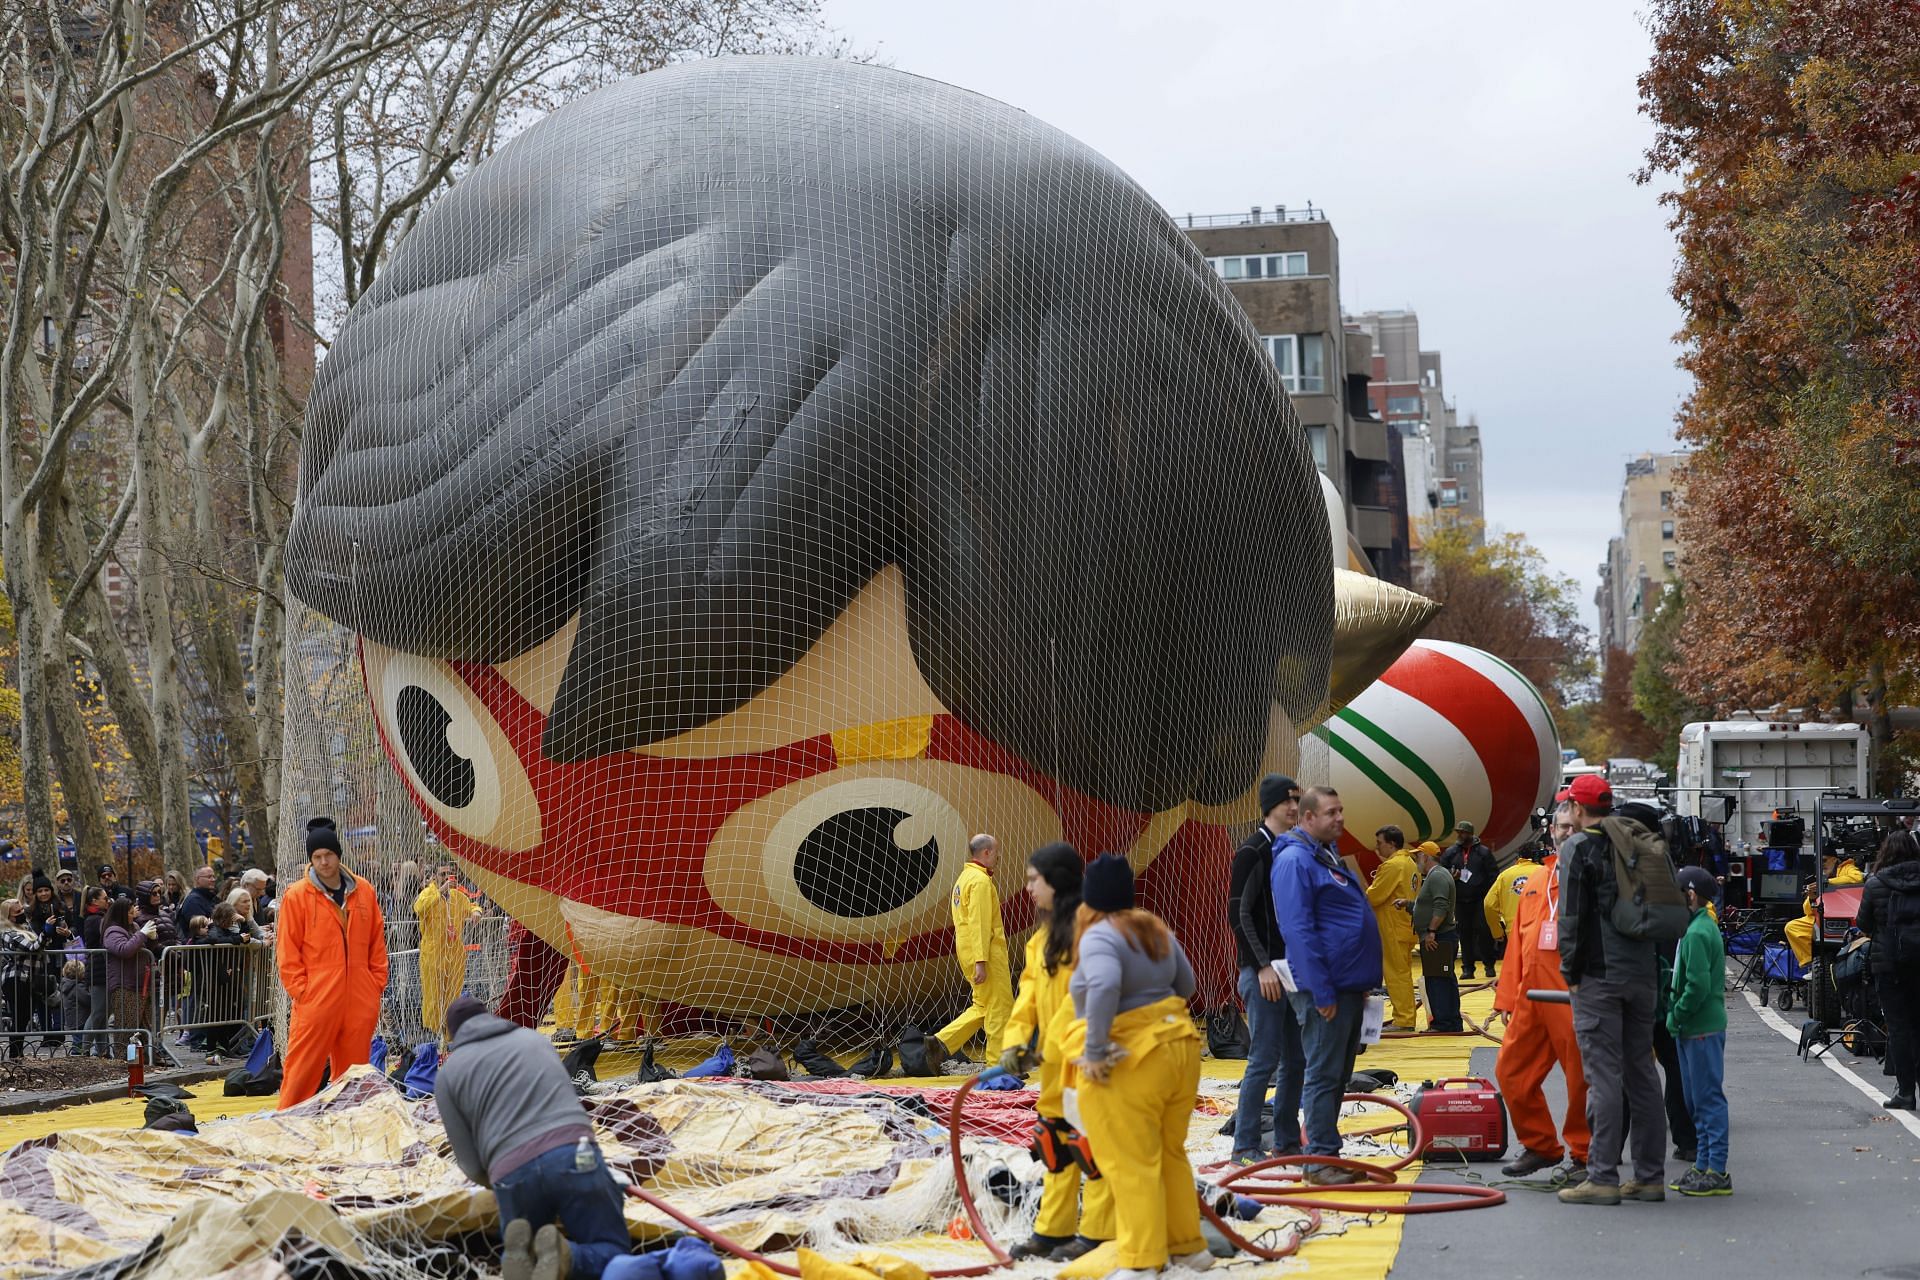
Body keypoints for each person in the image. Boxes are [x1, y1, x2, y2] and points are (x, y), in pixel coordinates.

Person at [1062, 854, 1207, 1278]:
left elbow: (1105, 984)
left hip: (1136, 1057)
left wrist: (1094, 1048)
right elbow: (1187, 985)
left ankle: (1142, 1261)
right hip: (1181, 1047)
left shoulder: (1099, 936)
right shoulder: (1154, 926)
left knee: (1130, 1162)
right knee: (1169, 1153)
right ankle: (1188, 1248)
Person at [437, 994, 634, 1280]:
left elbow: (470, 1164)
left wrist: (503, 1179)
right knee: (610, 1247)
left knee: (521, 1228)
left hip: (511, 1168)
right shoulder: (535, 1040)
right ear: (491, 1017)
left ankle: (520, 1252)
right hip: (573, 1150)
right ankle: (569, 1255)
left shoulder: (448, 1074)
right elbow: (570, 1101)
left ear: (454, 1034)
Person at [999, 842, 1113, 1262]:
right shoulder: (1041, 940)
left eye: (1034, 880)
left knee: (1090, 1147)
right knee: (1055, 1144)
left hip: (1089, 1060)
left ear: (1057, 882)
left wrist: (1046, 1048)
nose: (1028, 888)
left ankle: (1099, 1232)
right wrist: (1014, 1043)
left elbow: (1082, 999)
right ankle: (1053, 1230)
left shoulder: (1095, 930)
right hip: (1054, 1066)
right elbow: (1027, 996)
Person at [1556, 775, 1666, 1205]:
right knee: (1642, 1073)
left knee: (1603, 1077)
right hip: (1643, 975)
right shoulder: (1639, 841)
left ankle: (1602, 1175)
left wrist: (1571, 974)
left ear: (1578, 810)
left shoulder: (1579, 847)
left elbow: (1571, 918)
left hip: (1600, 978)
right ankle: (1649, 1176)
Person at [1271, 787, 1382, 1185]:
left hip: (1345, 985)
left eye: (1341, 810)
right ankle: (1319, 1161)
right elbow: (1298, 931)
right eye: (1331, 812)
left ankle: (1326, 1152)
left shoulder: (1324, 855)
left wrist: (1361, 980)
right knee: (1322, 1073)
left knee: (1336, 1073)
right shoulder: (1295, 861)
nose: (1340, 818)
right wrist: (1322, 991)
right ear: (1307, 817)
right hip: (1326, 990)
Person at [1492, 802, 1588, 1181]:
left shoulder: (1595, 876)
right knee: (1511, 1071)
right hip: (1532, 996)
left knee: (1581, 1079)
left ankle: (1584, 1155)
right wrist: (1507, 996)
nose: (1565, 832)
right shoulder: (1535, 880)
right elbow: (1517, 941)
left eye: (1572, 826)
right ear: (1550, 831)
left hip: (1573, 993)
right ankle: (1540, 1145)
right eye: (1560, 826)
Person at [277, 817, 390, 1108]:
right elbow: (288, 949)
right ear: (310, 859)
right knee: (303, 1067)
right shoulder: (297, 895)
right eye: (317, 857)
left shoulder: (364, 889)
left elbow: (377, 941)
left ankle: (349, 1122)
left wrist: (375, 983)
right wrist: (302, 991)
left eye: (328, 854)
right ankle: (287, 1123)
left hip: (359, 993)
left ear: (338, 855)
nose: (324, 862)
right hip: (317, 993)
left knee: (355, 1072)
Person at [1226, 773, 1306, 1164]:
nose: (1294, 807)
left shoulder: (1292, 847)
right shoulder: (1253, 849)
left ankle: (1287, 1139)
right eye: (1287, 800)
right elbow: (1239, 914)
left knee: (1297, 1058)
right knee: (1264, 1058)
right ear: (1270, 804)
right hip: (1264, 973)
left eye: (1297, 799)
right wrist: (1261, 966)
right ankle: (1244, 1144)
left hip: (1291, 972)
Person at [1667, 866, 1731, 1195]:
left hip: (1699, 1028)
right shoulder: (1697, 927)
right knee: (1696, 1101)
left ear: (1690, 895)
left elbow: (1697, 986)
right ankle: (1703, 1164)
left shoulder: (1697, 933)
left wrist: (1675, 1015)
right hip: (1695, 1028)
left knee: (1707, 1100)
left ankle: (1716, 1169)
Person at [931, 834, 1013, 1068]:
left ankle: (941, 1042)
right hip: (985, 953)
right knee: (999, 1007)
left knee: (983, 1006)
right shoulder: (979, 882)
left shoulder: (964, 879)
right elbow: (980, 923)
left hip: (968, 950)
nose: (998, 857)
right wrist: (981, 960)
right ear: (986, 853)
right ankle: (999, 1065)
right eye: (996, 852)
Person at [1857, 829, 1920, 1111]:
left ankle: (1905, 1092)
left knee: (1899, 1028)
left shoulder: (1875, 883)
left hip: (1889, 963)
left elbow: (1863, 924)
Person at [416, 862, 483, 1044]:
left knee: (452, 998)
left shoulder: (459, 897)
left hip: (455, 956)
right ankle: (432, 1039)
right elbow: (419, 908)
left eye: (450, 874)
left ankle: (450, 1039)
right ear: (436, 877)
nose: (447, 877)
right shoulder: (428, 894)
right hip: (432, 956)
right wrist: (440, 892)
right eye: (442, 874)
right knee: (432, 998)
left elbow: (473, 904)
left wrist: (476, 912)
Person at [1364, 825, 1420, 1033]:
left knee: (1396, 974)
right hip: (1405, 925)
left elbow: (1374, 896)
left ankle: (1403, 1019)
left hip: (1392, 927)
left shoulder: (1392, 866)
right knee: (1403, 973)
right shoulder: (1409, 863)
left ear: (1391, 843)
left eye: (1380, 843)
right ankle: (1405, 1016)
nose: (1377, 848)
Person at [1411, 840, 1462, 1033]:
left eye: (1418, 856)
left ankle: (1444, 1023)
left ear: (1426, 857)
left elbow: (1441, 906)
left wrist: (1431, 931)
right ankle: (1449, 1021)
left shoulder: (1437, 877)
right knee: (1441, 978)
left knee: (1438, 980)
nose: (1417, 860)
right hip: (1439, 936)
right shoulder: (1436, 876)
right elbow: (1430, 905)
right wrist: (1410, 906)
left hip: (1439, 937)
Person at [103, 896, 161, 1060]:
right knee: (127, 1027)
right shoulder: (113, 931)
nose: (133, 915)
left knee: (145, 1025)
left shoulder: (133, 927)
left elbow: (142, 948)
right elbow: (124, 950)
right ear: (121, 914)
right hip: (125, 985)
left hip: (141, 984)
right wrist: (142, 934)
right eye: (129, 913)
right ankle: (124, 1059)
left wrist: (152, 938)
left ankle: (148, 1058)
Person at [1443, 822, 1498, 980]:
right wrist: (1450, 875)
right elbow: (1442, 869)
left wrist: (1489, 896)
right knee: (1464, 934)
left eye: (1463, 833)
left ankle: (1489, 964)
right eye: (1458, 832)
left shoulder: (1484, 852)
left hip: (1480, 899)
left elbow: (1493, 875)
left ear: (1470, 833)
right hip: (1460, 900)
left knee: (1483, 931)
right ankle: (1468, 968)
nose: (1460, 835)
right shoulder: (1451, 852)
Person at [1, 899, 44, 1058]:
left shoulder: (24, 928)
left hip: (27, 979)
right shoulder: (8, 933)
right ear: (8, 916)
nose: (21, 914)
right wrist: (45, 933)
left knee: (23, 1018)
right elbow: (33, 947)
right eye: (17, 912)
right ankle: (14, 1054)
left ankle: (17, 1054)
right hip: (14, 979)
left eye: (21, 910)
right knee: (19, 1018)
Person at [1484, 844, 1541, 952]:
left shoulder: (1505, 876)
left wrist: (1497, 931)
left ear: (1519, 857)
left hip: (1513, 932)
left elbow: (1489, 904)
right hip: (1540, 931)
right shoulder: (1546, 872)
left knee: (1518, 967)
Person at [80, 886, 112, 1056]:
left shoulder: (97, 918)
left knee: (102, 1014)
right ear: (94, 901)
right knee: (98, 1013)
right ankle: (82, 1049)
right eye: (105, 898)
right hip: (99, 971)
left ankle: (103, 1050)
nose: (108, 901)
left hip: (100, 969)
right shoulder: (95, 919)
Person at [174, 866, 219, 940]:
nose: (213, 879)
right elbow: (201, 930)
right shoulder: (193, 901)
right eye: (209, 877)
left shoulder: (212, 898)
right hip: (201, 949)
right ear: (198, 879)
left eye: (214, 876)